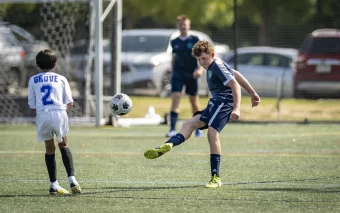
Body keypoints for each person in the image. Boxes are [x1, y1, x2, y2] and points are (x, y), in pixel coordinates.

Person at [144, 41, 260, 188]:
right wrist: (253, 93)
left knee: (212, 133)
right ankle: (168, 145)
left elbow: (235, 84)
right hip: (215, 103)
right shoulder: (215, 63)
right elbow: (235, 74)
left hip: (224, 103)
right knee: (189, 124)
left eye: (204, 59)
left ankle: (216, 178)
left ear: (212, 55)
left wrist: (237, 108)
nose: (202, 62)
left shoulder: (216, 65)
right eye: (199, 60)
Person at [28, 49, 81, 195]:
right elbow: (69, 103)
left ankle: (53, 184)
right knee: (63, 144)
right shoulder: (61, 79)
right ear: (55, 64)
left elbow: (32, 105)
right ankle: (72, 180)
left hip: (43, 115)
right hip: (59, 113)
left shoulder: (33, 80)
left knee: (49, 149)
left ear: (37, 64)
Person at [167, 14, 205, 138]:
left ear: (189, 25)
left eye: (185, 24)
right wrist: (173, 73)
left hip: (191, 74)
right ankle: (172, 129)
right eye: (180, 24)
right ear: (177, 26)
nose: (183, 26)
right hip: (178, 74)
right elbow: (173, 58)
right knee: (176, 98)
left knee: (194, 101)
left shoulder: (195, 39)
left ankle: (198, 128)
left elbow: (201, 57)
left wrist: (200, 70)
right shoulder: (174, 42)